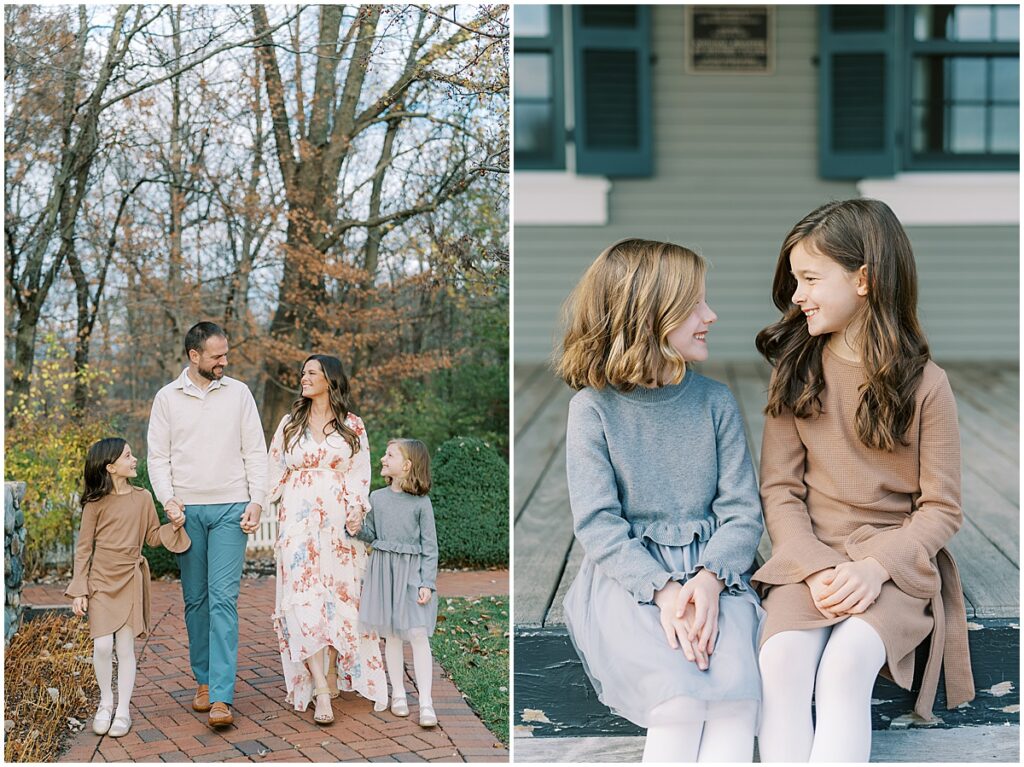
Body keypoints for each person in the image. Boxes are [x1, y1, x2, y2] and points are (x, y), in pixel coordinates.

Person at [752, 199, 975, 762]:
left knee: (845, 669)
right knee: (780, 664)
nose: (796, 294)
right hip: (810, 560)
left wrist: (875, 568)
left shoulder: (927, 384)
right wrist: (815, 563)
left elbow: (941, 508)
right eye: (794, 279)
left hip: (892, 565)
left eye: (809, 278)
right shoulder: (796, 370)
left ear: (864, 280)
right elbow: (780, 490)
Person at [557, 238, 765, 763]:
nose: (711, 315)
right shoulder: (592, 409)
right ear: (648, 314)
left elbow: (742, 511)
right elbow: (598, 523)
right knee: (678, 705)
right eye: (695, 304)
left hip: (718, 574)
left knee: (736, 701)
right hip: (633, 581)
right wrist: (665, 592)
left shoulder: (715, 401)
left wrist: (711, 580)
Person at [147, 321, 268, 728]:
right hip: (188, 512)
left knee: (223, 600)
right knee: (195, 601)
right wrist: (168, 499)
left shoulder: (239, 393)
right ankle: (202, 681)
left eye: (226, 354)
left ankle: (221, 695)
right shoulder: (166, 398)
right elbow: (157, 458)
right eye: (217, 355)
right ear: (193, 355)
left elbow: (256, 450)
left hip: (231, 508)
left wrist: (257, 500)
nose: (224, 362)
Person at [267, 354, 387, 724]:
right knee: (303, 600)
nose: (304, 378)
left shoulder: (353, 426)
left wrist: (356, 508)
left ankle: (333, 669)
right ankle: (319, 687)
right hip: (298, 524)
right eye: (303, 372)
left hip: (337, 526)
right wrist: (258, 505)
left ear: (330, 381)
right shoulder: (290, 424)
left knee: (338, 598)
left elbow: (360, 472)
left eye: (312, 373)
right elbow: (272, 468)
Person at [66, 438, 191, 738]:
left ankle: (123, 710)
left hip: (130, 578)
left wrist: (174, 525)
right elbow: (84, 549)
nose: (135, 460)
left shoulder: (143, 497)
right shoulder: (95, 504)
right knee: (102, 645)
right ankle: (105, 704)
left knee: (125, 647)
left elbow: (151, 536)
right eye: (128, 456)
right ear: (110, 467)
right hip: (101, 580)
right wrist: (80, 589)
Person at [350, 438, 440, 728]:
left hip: (412, 574)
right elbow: (372, 533)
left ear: (407, 465)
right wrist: (355, 528)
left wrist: (427, 581)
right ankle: (398, 693)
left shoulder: (421, 503)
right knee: (391, 635)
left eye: (389, 455)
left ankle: (425, 700)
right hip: (383, 571)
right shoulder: (377, 498)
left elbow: (430, 546)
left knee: (417, 633)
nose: (382, 460)